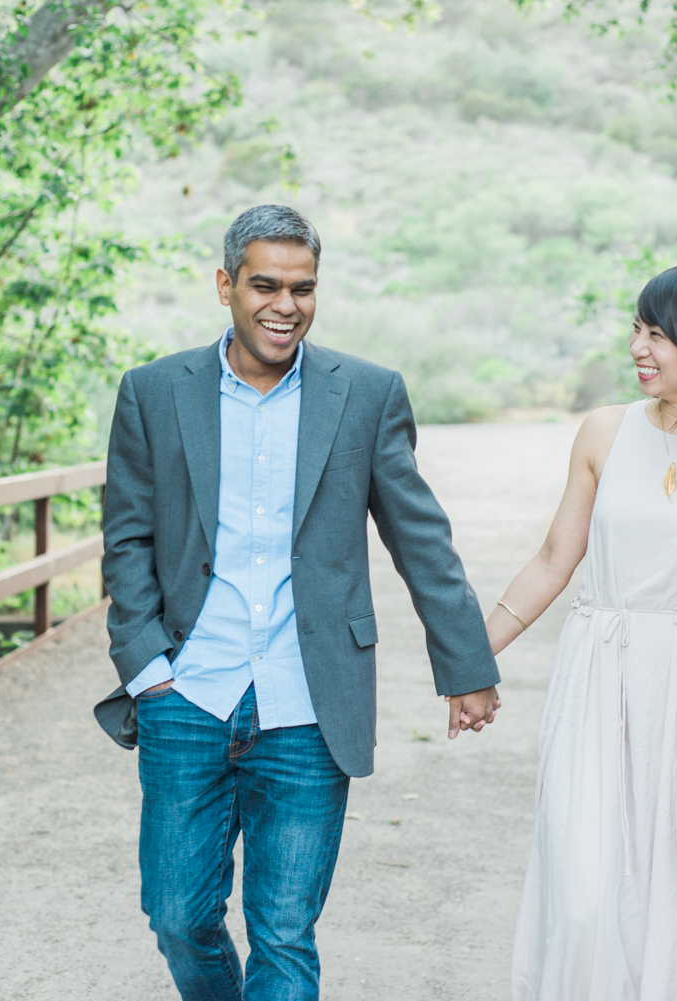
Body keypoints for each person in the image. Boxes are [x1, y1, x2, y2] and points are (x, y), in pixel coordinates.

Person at [93, 204, 502, 1001]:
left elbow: (421, 538)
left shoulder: (368, 394)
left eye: (303, 288)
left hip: (311, 699)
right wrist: (146, 666)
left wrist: (467, 665)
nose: (286, 305)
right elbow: (126, 538)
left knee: (283, 933)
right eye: (266, 286)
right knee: (179, 917)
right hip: (188, 693)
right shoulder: (152, 392)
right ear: (226, 286)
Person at [491, 262, 677, 1000]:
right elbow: (554, 558)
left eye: (658, 334)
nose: (639, 346)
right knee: (585, 881)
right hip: (597, 662)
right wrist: (469, 653)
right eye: (637, 328)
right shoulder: (603, 431)